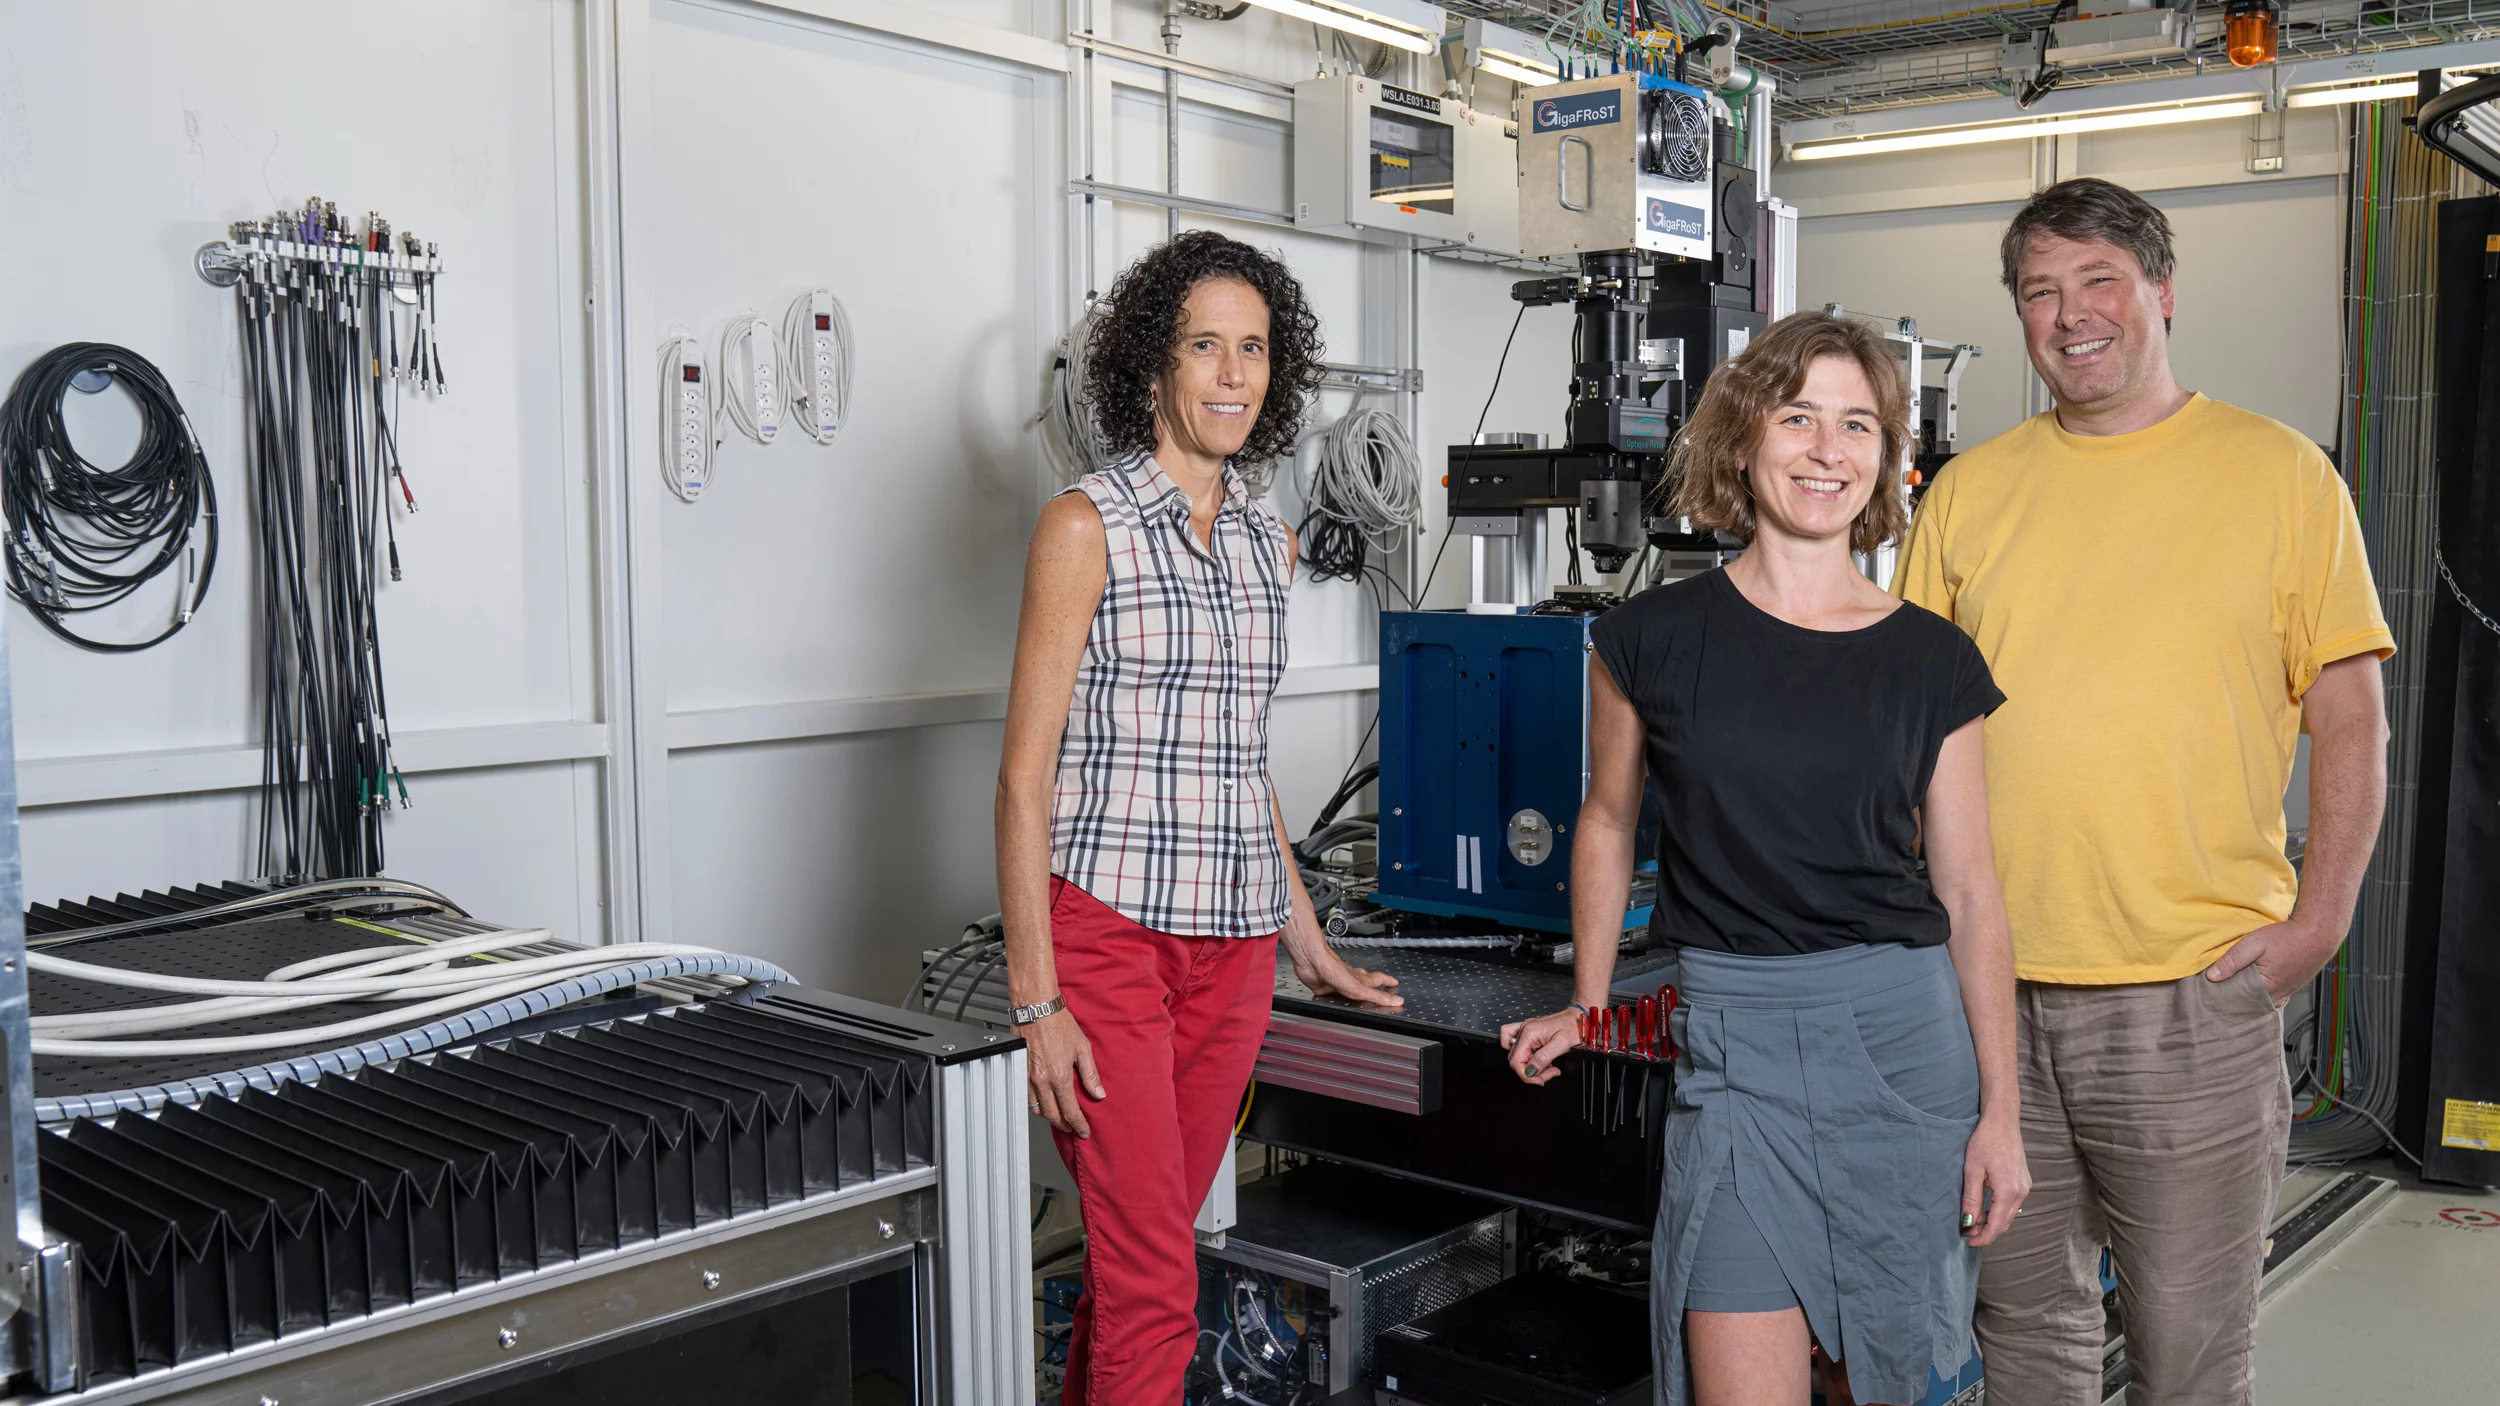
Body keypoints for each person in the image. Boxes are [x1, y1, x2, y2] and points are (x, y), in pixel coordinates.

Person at [1893, 177, 2393, 1406]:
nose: (2070, 315)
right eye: (2038, 293)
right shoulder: (1965, 494)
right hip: (1989, 994)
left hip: (2189, 995)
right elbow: (1903, 731)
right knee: (2025, 1330)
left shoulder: (2279, 477)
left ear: (2162, 291)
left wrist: (2317, 921)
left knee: (2186, 1348)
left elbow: (2349, 717)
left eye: (2097, 280)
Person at [1502, 312, 2030, 1406]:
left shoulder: (1933, 659)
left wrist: (2001, 1114)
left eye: (1856, 423)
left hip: (1902, 1050)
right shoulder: (1646, 637)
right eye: (1798, 417)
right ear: (1745, 437)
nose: (1826, 449)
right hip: (1735, 1060)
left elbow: (1971, 894)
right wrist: (1591, 1002)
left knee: (1889, 1376)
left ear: (1887, 455)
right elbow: (1605, 819)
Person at [995, 230, 1404, 1405]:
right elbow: (1022, 777)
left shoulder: (1265, 543)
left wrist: (1306, 939)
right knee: (1156, 1284)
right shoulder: (1086, 526)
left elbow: (1240, 761)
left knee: (1147, 1257)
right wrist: (1038, 1001)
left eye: (1255, 349)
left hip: (1228, 954)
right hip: (1108, 936)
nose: (1232, 373)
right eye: (1204, 346)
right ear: (1153, 366)